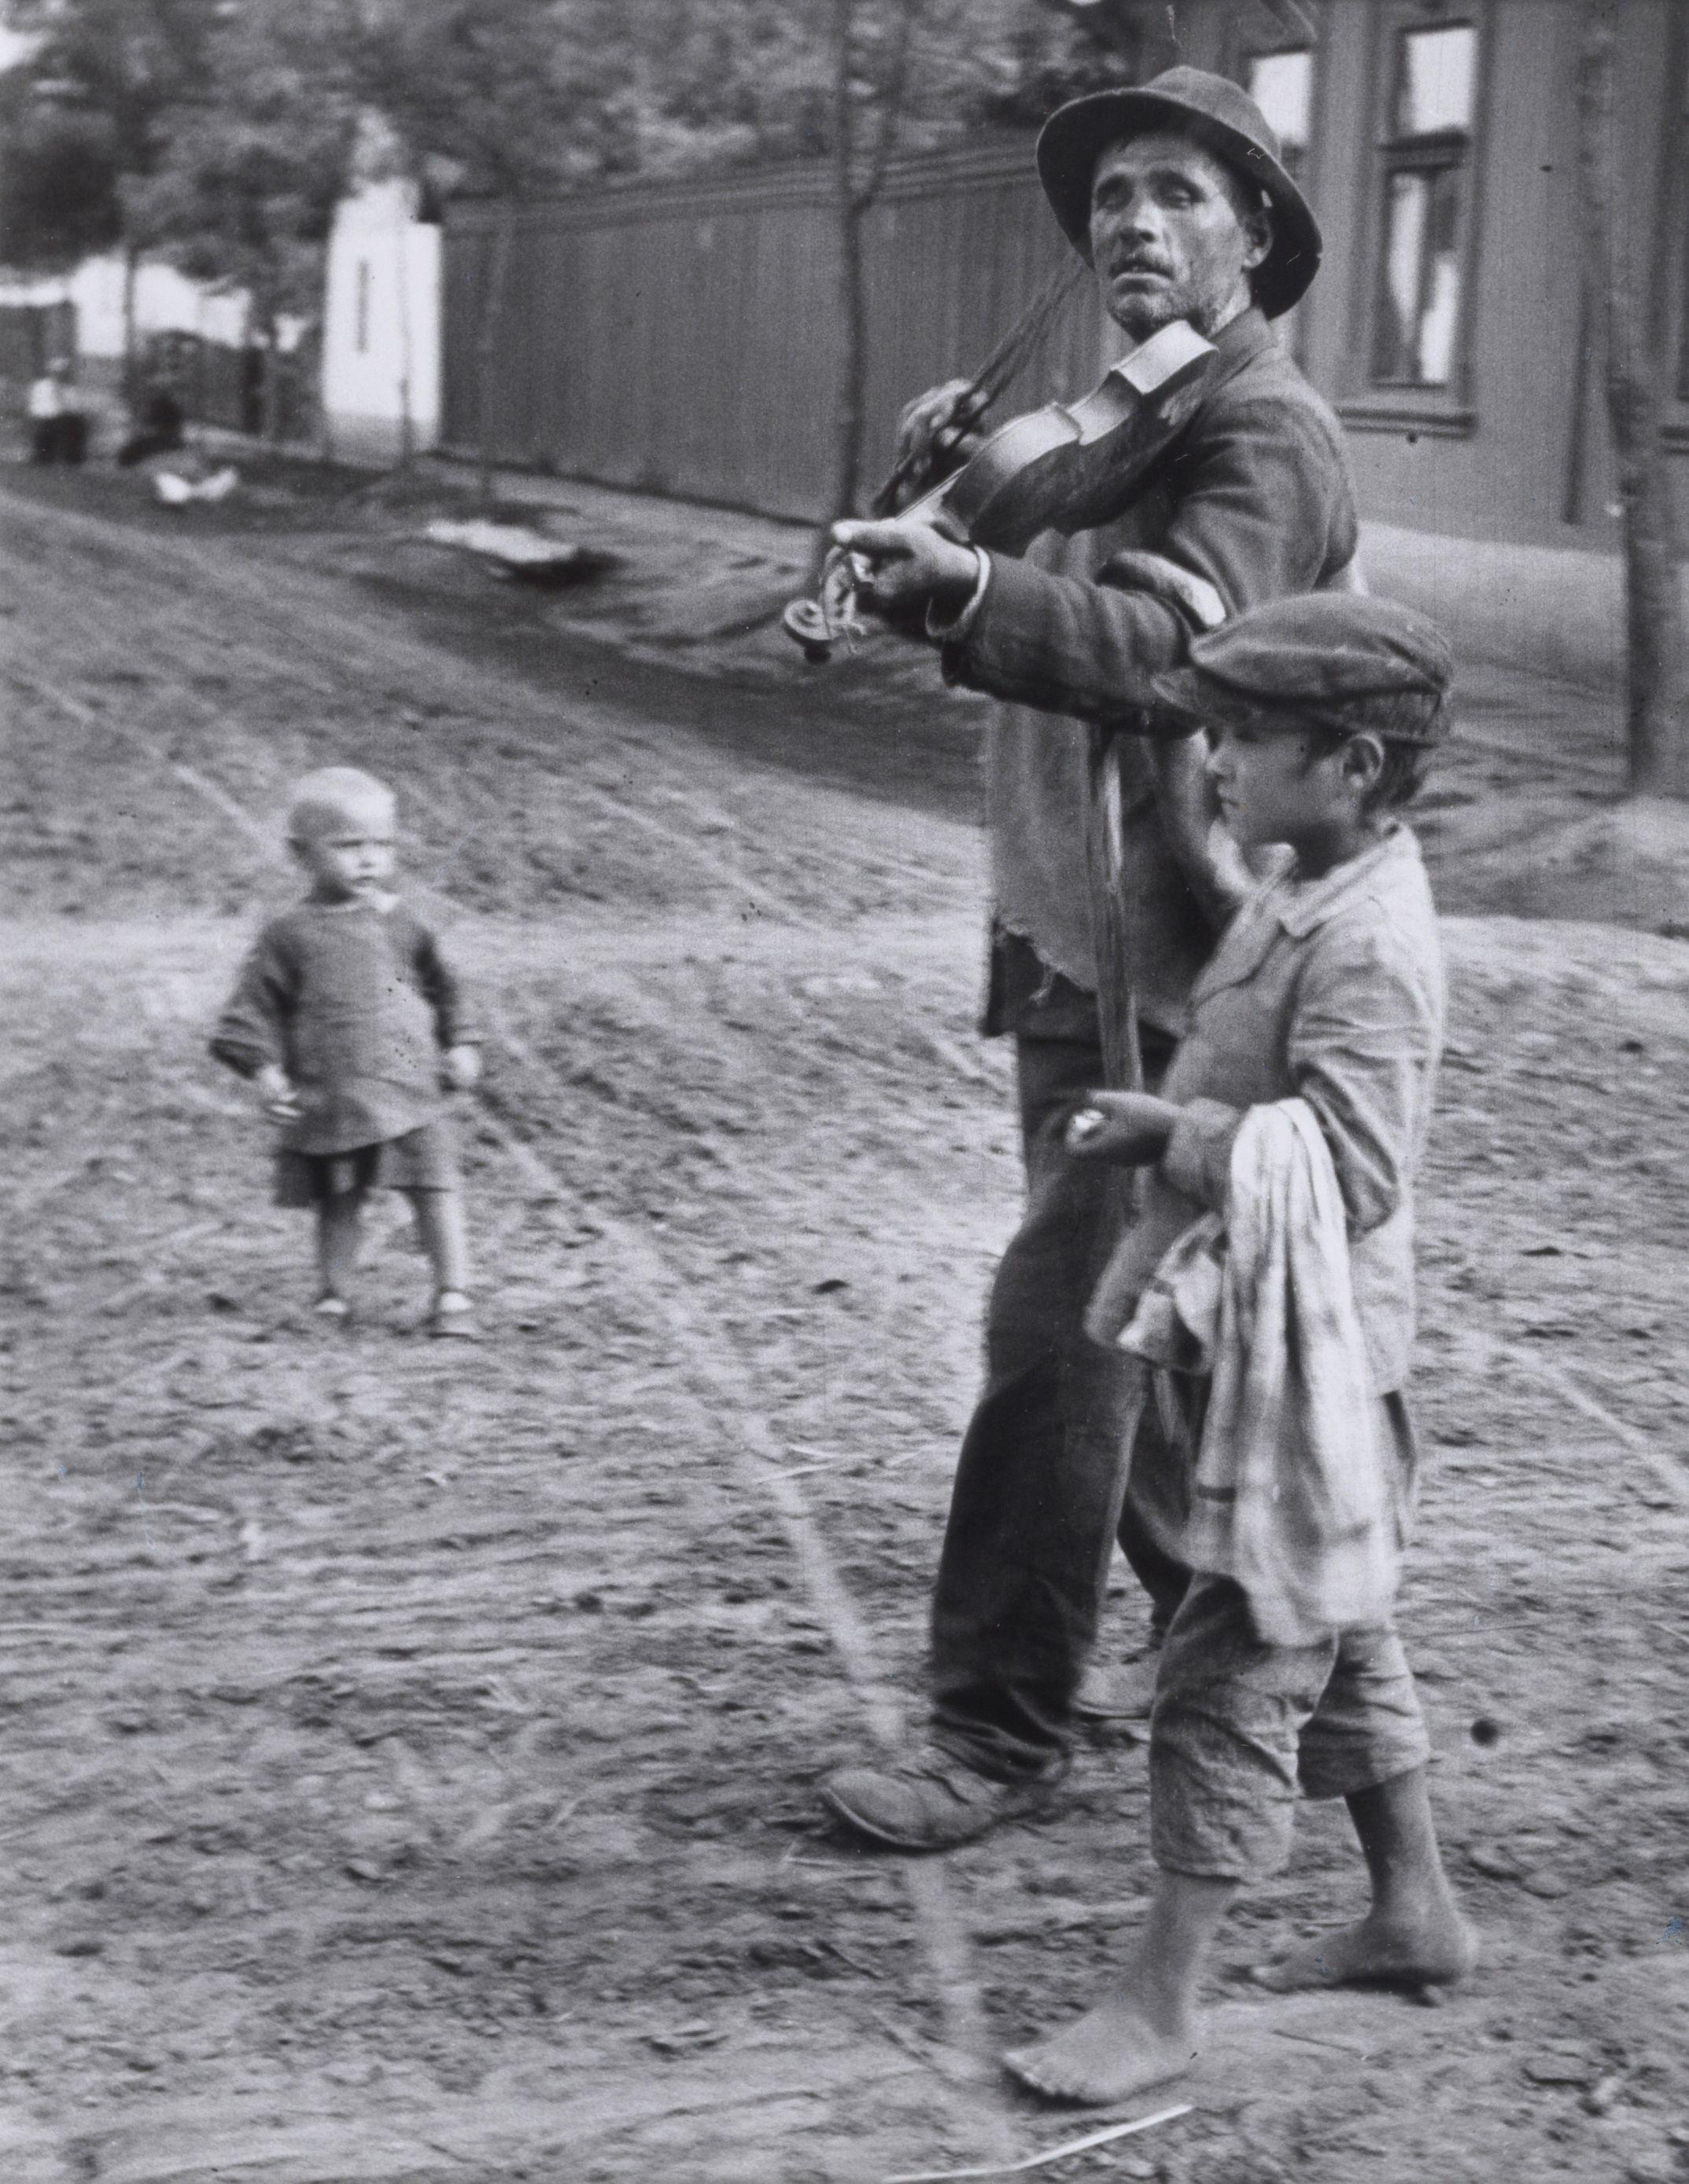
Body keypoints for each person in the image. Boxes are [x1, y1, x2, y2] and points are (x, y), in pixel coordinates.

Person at [820, 68, 1361, 1850]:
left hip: (1185, 975)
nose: (1128, 221)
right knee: (1143, 1380)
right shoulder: (1101, 422)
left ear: (1253, 235)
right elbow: (1021, 545)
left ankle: (991, 1728)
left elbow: (1154, 650)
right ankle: (1337, 1727)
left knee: (1058, 1331)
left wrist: (966, 586)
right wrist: (950, 496)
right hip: (1072, 938)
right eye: (1110, 196)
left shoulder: (1260, 435)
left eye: (1175, 197)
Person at [999, 587, 1473, 2105]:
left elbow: (1352, 1169)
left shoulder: (1372, 946)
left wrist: (1176, 1130)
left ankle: (1160, 2001)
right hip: (1258, 1328)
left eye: (1250, 737)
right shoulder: (1299, 880)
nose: (1215, 759)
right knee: (1337, 1622)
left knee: (1229, 1665)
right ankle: (1414, 1909)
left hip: (1324, 1358)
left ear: (1349, 766)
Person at [210, 766, 482, 1335]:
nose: (368, 861)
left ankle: (453, 1293)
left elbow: (444, 986)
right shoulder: (289, 935)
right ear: (301, 853)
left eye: (381, 845)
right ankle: (333, 1293)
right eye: (348, 846)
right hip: (335, 1090)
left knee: (434, 1186)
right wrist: (264, 1070)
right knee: (340, 1198)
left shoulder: (404, 923)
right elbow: (251, 1009)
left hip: (410, 1084)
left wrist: (460, 1042)